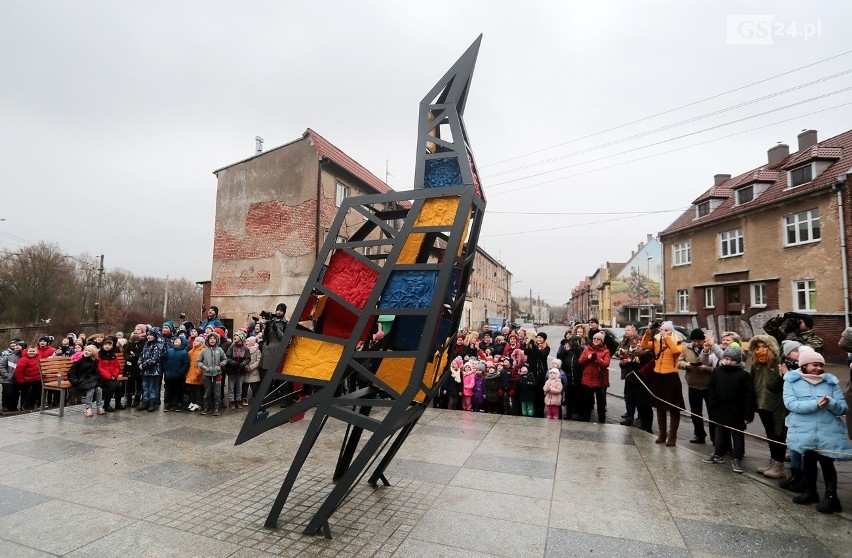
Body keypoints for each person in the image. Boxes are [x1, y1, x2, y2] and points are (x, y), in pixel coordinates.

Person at [783, 347, 850, 513]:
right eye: (815, 364)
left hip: (827, 429)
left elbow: (842, 408)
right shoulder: (792, 381)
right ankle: (810, 492)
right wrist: (815, 404)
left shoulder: (830, 382)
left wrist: (830, 403)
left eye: (821, 364)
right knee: (809, 461)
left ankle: (832, 498)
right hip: (804, 429)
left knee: (827, 463)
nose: (819, 368)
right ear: (804, 365)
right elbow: (791, 404)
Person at [703, 346, 755, 473]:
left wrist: (748, 415)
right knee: (719, 432)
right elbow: (711, 390)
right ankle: (718, 453)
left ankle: (737, 458)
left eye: (732, 359)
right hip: (720, 409)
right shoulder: (717, 372)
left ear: (737, 361)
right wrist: (713, 406)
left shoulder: (743, 375)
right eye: (726, 358)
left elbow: (749, 396)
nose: (729, 362)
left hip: (737, 411)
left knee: (737, 436)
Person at [748, 334, 786, 479]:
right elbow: (752, 383)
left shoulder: (777, 363)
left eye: (764, 346)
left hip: (777, 405)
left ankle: (779, 465)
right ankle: (772, 461)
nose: (761, 350)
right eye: (758, 347)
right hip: (761, 403)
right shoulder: (755, 364)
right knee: (770, 435)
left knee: (778, 435)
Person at [641, 321, 684, 446]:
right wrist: (647, 333)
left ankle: (672, 435)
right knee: (660, 407)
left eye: (667, 330)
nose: (664, 332)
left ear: (671, 331)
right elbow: (644, 345)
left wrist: (667, 339)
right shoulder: (657, 340)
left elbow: (676, 352)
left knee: (673, 408)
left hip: (671, 376)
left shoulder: (678, 341)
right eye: (662, 330)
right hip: (658, 376)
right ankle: (662, 433)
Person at [678, 328, 714, 445]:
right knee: (695, 412)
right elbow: (679, 362)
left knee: (712, 413)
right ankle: (699, 434)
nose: (697, 343)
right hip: (693, 384)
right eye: (694, 341)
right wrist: (687, 365)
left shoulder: (711, 348)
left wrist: (706, 369)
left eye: (699, 341)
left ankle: (714, 437)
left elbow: (717, 368)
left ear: (704, 340)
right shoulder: (686, 348)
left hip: (709, 386)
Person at [578, 331, 611, 423]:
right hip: (587, 379)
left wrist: (597, 359)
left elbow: (606, 364)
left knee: (601, 402)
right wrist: (588, 358)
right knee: (587, 402)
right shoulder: (587, 349)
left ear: (602, 341)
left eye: (598, 339)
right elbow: (580, 361)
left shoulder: (606, 351)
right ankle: (586, 419)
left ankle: (601, 420)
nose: (595, 340)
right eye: (594, 339)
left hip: (600, 380)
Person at [68, 345, 104, 417]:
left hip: (91, 380)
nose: (86, 352)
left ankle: (99, 406)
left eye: (89, 351)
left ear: (93, 353)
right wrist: (75, 382)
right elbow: (71, 373)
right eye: (86, 350)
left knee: (98, 388)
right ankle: (88, 408)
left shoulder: (95, 362)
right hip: (81, 381)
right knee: (91, 389)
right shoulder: (79, 361)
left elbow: (96, 373)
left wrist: (96, 379)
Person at [139, 327, 168, 412]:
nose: (149, 337)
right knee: (145, 386)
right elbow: (142, 355)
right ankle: (145, 401)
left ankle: (152, 402)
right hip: (144, 370)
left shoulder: (159, 344)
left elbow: (155, 358)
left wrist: (144, 364)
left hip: (154, 370)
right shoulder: (146, 344)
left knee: (152, 387)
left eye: (151, 335)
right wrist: (140, 363)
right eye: (148, 335)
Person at [197, 332, 226, 416]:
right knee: (207, 392)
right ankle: (207, 407)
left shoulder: (219, 350)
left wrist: (219, 366)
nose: (212, 340)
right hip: (207, 374)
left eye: (214, 338)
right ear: (207, 340)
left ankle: (217, 408)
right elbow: (198, 361)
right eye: (210, 338)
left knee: (217, 392)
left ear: (217, 340)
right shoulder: (204, 350)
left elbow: (224, 359)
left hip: (217, 374)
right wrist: (203, 367)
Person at [615, 324, 639, 425]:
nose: (626, 332)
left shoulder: (637, 340)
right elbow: (617, 351)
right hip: (627, 371)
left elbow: (638, 352)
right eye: (625, 330)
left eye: (628, 330)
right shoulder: (624, 340)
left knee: (635, 396)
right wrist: (619, 353)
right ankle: (629, 414)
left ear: (634, 331)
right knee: (627, 395)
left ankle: (637, 416)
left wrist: (626, 353)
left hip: (636, 372)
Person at [557, 335, 583, 420]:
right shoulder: (567, 352)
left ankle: (580, 413)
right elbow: (559, 357)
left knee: (579, 397)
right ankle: (568, 413)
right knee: (568, 397)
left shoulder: (580, 351)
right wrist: (565, 350)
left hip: (578, 379)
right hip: (568, 378)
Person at [98, 336, 125, 412]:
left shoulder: (113, 355)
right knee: (111, 386)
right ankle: (106, 404)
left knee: (119, 386)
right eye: (106, 344)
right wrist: (109, 377)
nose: (107, 346)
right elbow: (100, 368)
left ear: (112, 346)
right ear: (102, 345)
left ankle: (118, 403)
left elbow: (117, 366)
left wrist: (114, 375)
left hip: (112, 377)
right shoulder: (100, 356)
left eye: (109, 345)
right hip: (103, 378)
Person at [163, 336, 189, 412]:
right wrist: (165, 369)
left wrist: (181, 372)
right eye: (175, 340)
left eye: (178, 340)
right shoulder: (169, 350)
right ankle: (168, 404)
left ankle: (179, 403)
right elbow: (164, 361)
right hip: (168, 374)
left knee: (179, 390)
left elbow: (186, 363)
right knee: (168, 389)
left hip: (179, 375)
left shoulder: (184, 352)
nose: (176, 341)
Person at [225, 331, 250, 410]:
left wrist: (243, 363)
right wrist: (232, 362)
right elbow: (227, 357)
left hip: (241, 370)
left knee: (239, 386)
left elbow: (248, 358)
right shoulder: (231, 347)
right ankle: (231, 401)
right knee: (231, 386)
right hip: (232, 369)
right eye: (234, 335)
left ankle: (238, 400)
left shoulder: (245, 349)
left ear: (241, 338)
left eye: (237, 335)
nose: (235, 336)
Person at [260, 303, 288, 374]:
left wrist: (276, 329)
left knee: (275, 373)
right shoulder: (271, 321)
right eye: (277, 310)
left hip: (277, 351)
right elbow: (264, 336)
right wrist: (266, 327)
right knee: (264, 373)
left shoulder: (285, 324)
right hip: (267, 350)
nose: (279, 312)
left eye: (281, 310)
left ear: (284, 312)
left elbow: (284, 339)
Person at [123, 325, 146, 408]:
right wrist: (128, 357)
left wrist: (135, 355)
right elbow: (126, 351)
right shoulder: (130, 341)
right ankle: (129, 399)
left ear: (143, 331)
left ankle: (137, 399)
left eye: (138, 329)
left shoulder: (144, 342)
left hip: (138, 365)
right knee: (130, 382)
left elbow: (144, 353)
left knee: (139, 382)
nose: (136, 330)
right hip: (130, 365)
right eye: (135, 329)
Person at [14, 345, 41, 411]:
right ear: (27, 352)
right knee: (25, 394)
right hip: (26, 381)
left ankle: (32, 406)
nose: (31, 352)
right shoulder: (23, 360)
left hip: (37, 380)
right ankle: (23, 407)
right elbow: (18, 371)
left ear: (36, 352)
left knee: (35, 393)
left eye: (33, 351)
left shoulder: (39, 358)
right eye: (30, 351)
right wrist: (20, 380)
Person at [0, 340, 23, 412]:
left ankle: (13, 406)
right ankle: (5, 406)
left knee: (16, 393)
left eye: (17, 345)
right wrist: (6, 375)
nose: (14, 345)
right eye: (12, 343)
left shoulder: (23, 356)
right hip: (7, 379)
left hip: (18, 379)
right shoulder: (7, 355)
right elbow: (1, 365)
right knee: (7, 392)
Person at [185, 336, 205, 412]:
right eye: (195, 340)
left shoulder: (202, 351)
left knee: (198, 390)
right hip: (191, 373)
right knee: (192, 389)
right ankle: (192, 401)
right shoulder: (191, 351)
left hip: (198, 374)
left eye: (197, 340)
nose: (195, 341)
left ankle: (198, 403)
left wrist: (198, 372)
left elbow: (202, 363)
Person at [242, 336, 262, 406]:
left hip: (254, 372)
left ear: (252, 343)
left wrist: (251, 367)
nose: (246, 343)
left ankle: (255, 397)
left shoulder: (257, 351)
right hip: (246, 371)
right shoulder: (244, 350)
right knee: (245, 386)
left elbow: (258, 361)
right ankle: (244, 398)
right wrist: (245, 366)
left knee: (254, 386)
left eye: (248, 341)